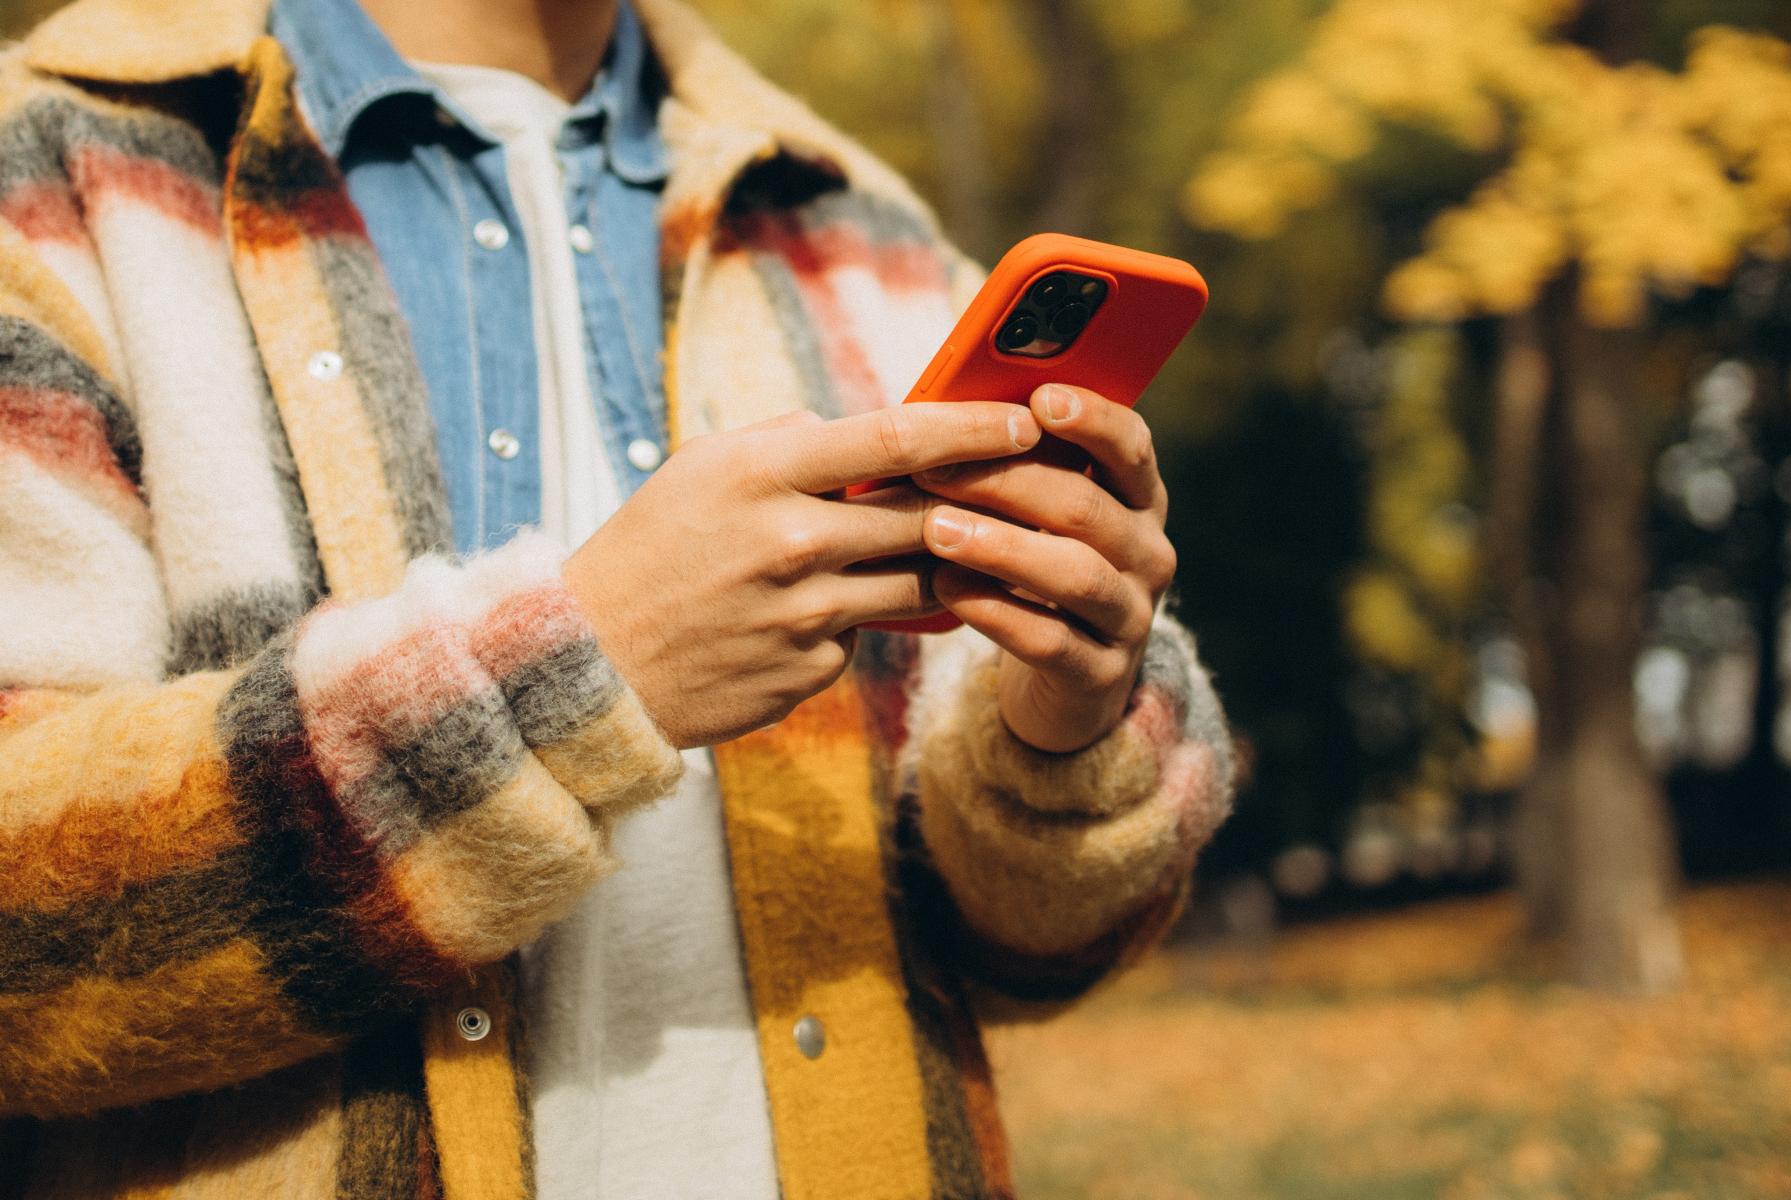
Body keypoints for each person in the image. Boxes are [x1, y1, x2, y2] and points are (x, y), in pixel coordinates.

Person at [0, 0, 1236, 1195]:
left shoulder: (859, 226)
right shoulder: (53, 172)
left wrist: (1060, 730)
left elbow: (1035, 956)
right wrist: (576, 674)